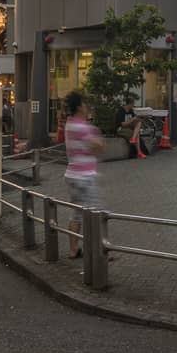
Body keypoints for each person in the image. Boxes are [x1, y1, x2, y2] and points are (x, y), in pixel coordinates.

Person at [63, 91, 104, 258]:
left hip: (72, 175)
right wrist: (97, 135)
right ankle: (99, 251)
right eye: (85, 104)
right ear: (80, 106)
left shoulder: (69, 124)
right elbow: (99, 147)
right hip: (85, 177)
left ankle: (73, 250)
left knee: (77, 215)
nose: (87, 107)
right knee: (95, 214)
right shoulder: (82, 127)